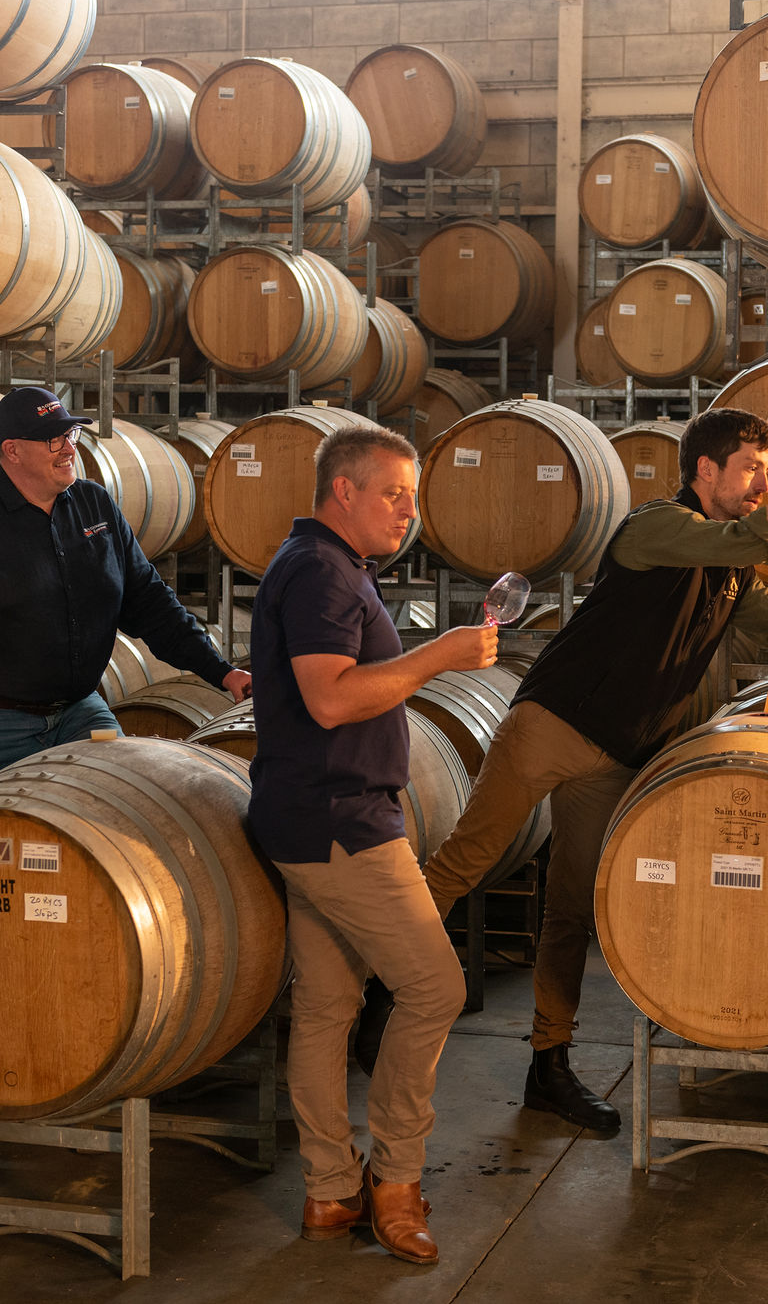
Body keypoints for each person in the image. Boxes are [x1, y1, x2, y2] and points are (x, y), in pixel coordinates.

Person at [414, 406, 768, 1133]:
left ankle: (548, 1062)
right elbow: (757, 534)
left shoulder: (730, 569)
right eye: (751, 470)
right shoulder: (656, 527)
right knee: (464, 862)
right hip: (553, 725)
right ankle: (378, 989)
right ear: (705, 470)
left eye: (767, 474)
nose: (760, 485)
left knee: (571, 908)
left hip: (619, 748)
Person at [248, 424, 497, 1266]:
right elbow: (330, 699)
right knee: (435, 988)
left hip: (304, 816)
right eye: (393, 492)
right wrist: (443, 655)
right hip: (341, 822)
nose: (408, 510)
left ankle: (329, 1190)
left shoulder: (324, 564)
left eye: (412, 494)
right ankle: (395, 1181)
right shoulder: (322, 571)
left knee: (326, 1007)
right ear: (342, 491)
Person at [0, 387, 249, 805]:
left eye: (71, 435)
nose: (68, 449)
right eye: (53, 439)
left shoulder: (95, 505)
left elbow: (148, 600)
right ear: (12, 451)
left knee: (120, 811)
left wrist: (222, 672)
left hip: (78, 712)